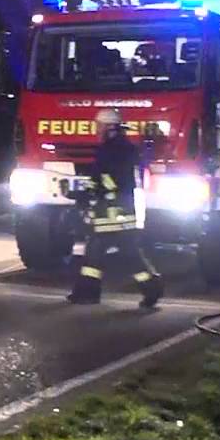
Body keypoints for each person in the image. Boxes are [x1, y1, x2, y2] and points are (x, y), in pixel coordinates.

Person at [67, 108, 163, 308]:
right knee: (123, 254)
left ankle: (88, 293)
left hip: (110, 211)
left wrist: (82, 193)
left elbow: (105, 179)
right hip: (121, 211)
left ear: (108, 128)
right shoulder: (125, 147)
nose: (97, 131)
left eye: (99, 127)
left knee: (97, 253)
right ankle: (151, 288)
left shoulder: (109, 150)